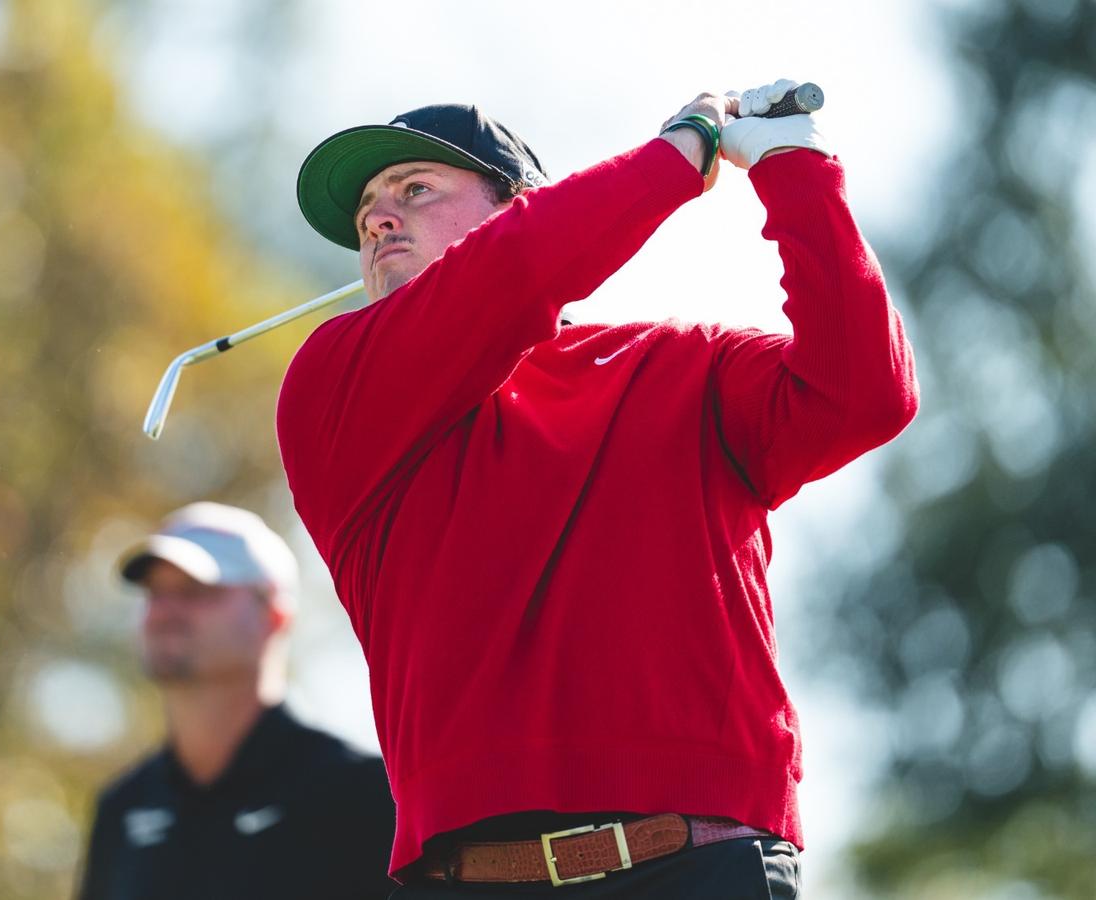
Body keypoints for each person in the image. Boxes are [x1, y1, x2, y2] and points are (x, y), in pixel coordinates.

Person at [276, 80, 919, 897]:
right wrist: (673, 159)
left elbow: (864, 391)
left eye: (415, 189)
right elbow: (514, 270)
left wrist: (798, 169)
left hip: (698, 865)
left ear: (518, 207)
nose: (377, 218)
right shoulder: (334, 387)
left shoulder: (683, 367)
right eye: (369, 205)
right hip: (465, 879)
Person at [76, 501, 397, 900]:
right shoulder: (122, 810)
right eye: (155, 592)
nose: (164, 611)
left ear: (275, 617)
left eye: (197, 591)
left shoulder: (363, 795)